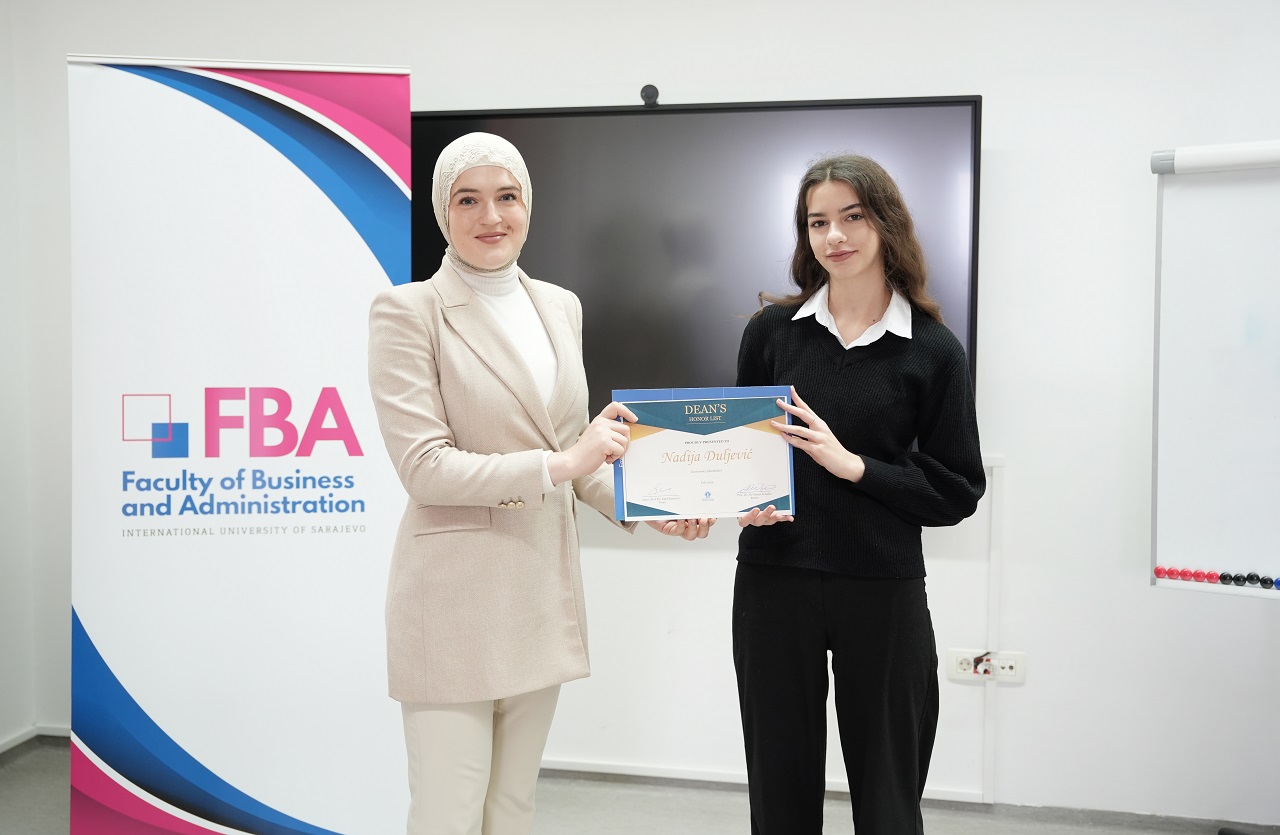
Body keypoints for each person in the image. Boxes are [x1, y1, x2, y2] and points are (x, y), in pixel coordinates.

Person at [367, 132, 712, 835]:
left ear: (528, 204)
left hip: (536, 590)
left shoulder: (559, 306)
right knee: (447, 813)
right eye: (468, 200)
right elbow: (426, 467)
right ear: (442, 212)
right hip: (452, 601)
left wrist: (652, 506)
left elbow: (573, 445)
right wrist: (564, 463)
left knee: (513, 807)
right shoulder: (407, 311)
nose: (491, 216)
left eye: (507, 196)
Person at [733, 154, 986, 834]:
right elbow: (746, 455)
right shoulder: (769, 334)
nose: (835, 236)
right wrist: (741, 497)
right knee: (779, 792)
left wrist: (855, 467)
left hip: (882, 588)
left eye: (852, 216)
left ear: (886, 223)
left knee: (889, 798)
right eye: (818, 222)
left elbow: (957, 490)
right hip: (773, 580)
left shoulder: (933, 349)